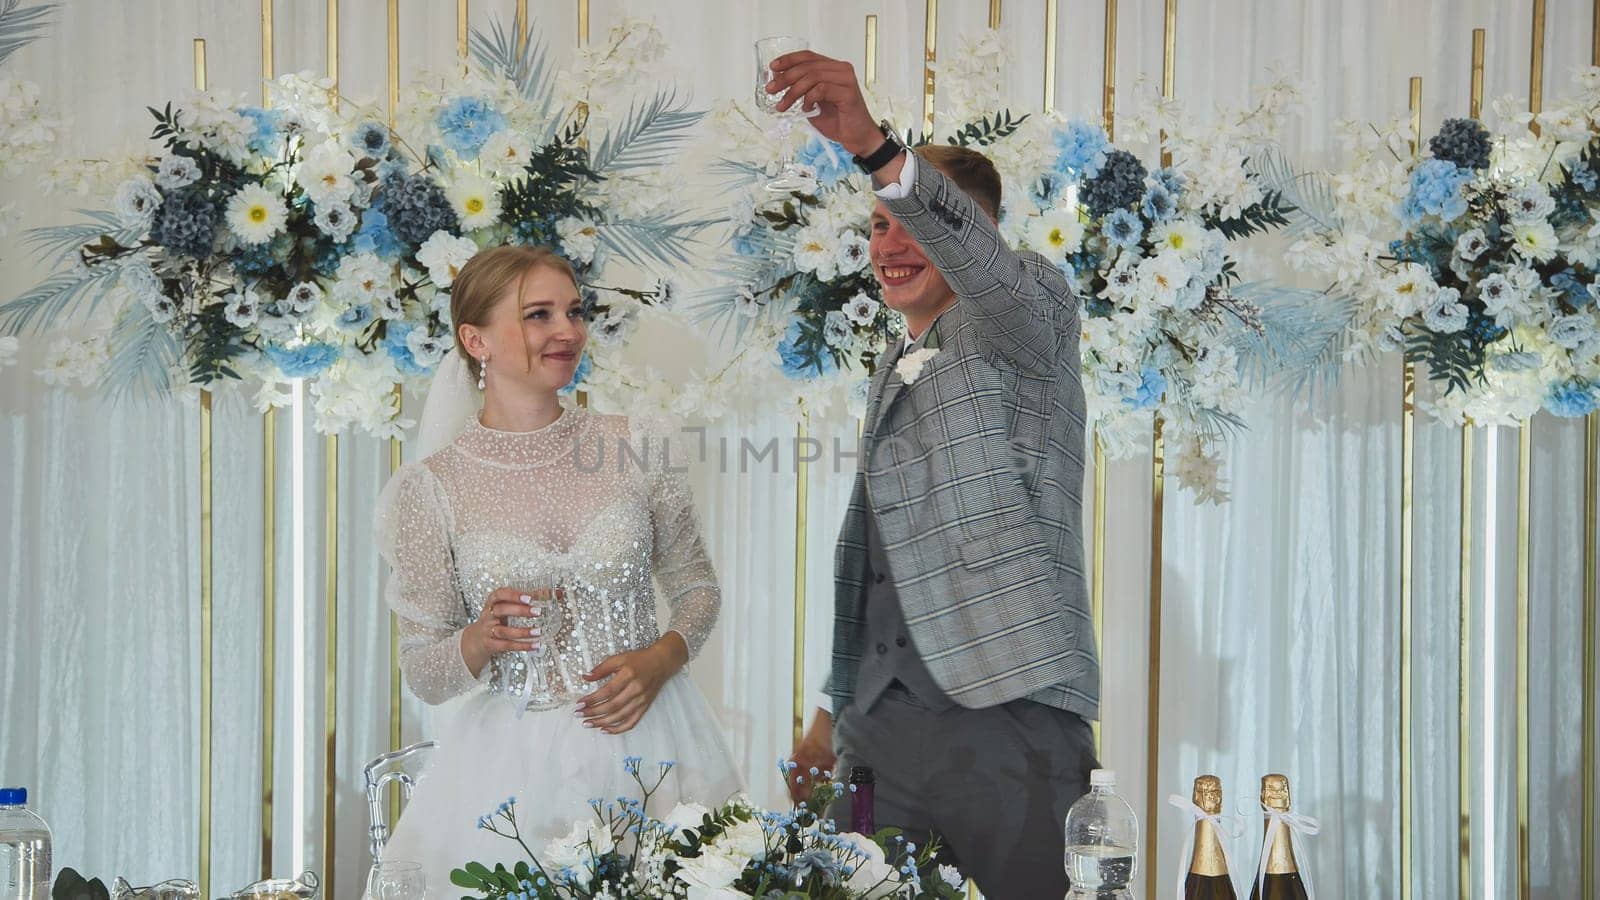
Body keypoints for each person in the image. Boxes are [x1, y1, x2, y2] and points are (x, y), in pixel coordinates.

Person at [771, 51, 1100, 898]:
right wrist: (830, 715)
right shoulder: (893, 363)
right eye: (879, 226)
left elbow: (981, 259)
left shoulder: (1031, 318)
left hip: (1010, 719)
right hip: (877, 735)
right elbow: (890, 561)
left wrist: (877, 149)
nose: (890, 242)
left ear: (977, 235)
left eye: (911, 221)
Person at [374, 245, 743, 889]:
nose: (568, 331)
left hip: (655, 746)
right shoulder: (430, 488)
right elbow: (423, 673)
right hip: (509, 773)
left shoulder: (639, 442)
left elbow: (697, 590)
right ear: (475, 339)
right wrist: (478, 638)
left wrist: (660, 659)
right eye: (539, 315)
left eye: (574, 312)